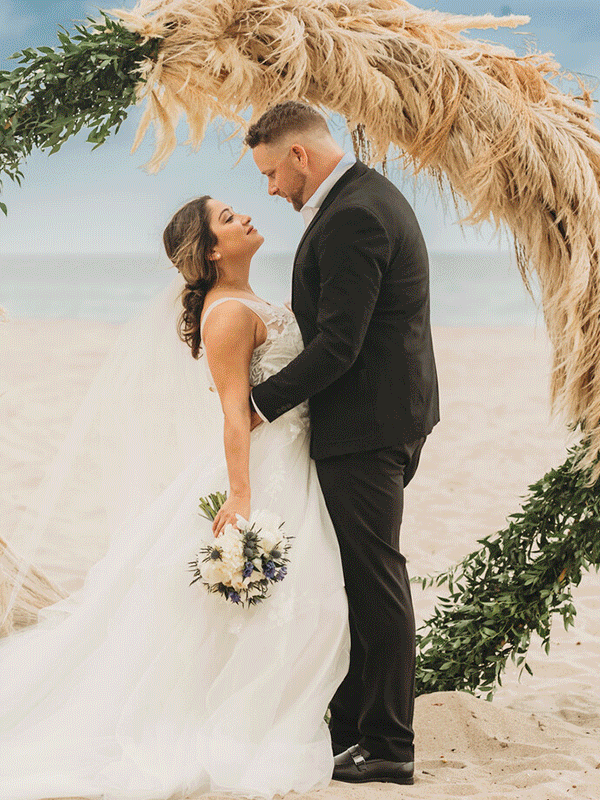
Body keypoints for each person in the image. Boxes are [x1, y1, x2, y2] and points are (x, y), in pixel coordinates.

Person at [0, 195, 351, 800]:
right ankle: (240, 718)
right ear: (213, 250)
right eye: (227, 218)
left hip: (296, 458)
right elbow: (234, 413)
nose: (243, 217)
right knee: (288, 601)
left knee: (310, 598)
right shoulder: (227, 316)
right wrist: (240, 496)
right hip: (266, 469)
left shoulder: (252, 301)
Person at [245, 101, 440, 786]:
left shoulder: (354, 213)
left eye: (271, 172)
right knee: (356, 575)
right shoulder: (361, 198)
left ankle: (388, 743)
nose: (269, 189)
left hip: (367, 425)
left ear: (299, 155)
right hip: (379, 417)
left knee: (374, 576)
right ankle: (356, 731)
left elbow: (339, 346)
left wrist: (256, 405)